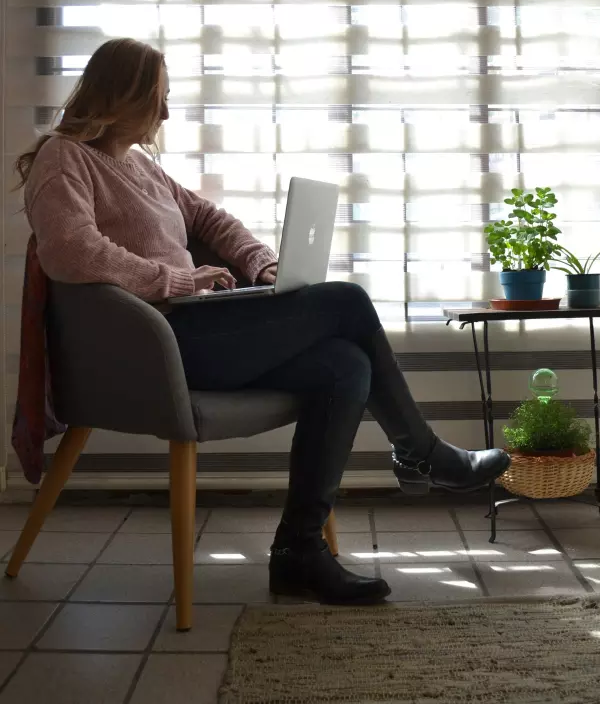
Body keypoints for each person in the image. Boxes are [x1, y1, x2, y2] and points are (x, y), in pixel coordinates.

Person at [16, 38, 510, 606]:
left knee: (344, 366)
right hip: (156, 345)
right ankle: (425, 452)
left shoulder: (140, 166)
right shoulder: (63, 158)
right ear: (119, 95)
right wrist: (178, 280)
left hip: (193, 331)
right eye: (159, 99)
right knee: (346, 301)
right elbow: (71, 252)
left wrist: (260, 262)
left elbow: (207, 217)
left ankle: (298, 551)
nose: (168, 114)